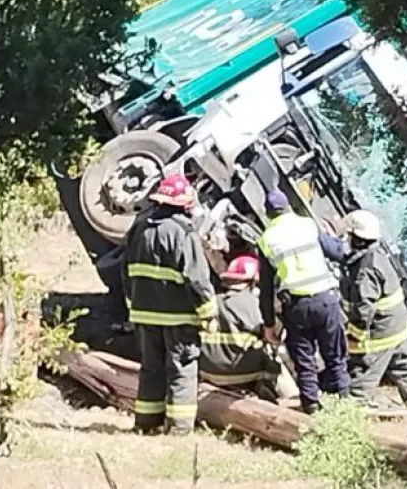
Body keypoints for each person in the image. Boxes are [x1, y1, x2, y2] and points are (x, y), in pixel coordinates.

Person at [123, 173, 218, 436]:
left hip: (145, 314)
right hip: (179, 317)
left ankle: (146, 422)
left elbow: (125, 271)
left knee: (151, 369)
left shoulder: (138, 227)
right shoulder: (183, 232)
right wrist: (208, 311)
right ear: (184, 203)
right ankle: (179, 428)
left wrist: (133, 303)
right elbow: (196, 278)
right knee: (182, 370)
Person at [256, 189, 349, 415]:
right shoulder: (307, 225)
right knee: (335, 356)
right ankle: (345, 404)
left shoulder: (266, 240)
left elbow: (266, 290)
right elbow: (337, 252)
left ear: (268, 214)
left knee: (304, 360)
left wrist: (269, 324)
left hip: (297, 308)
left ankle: (311, 405)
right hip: (326, 301)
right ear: (288, 207)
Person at [339, 209, 407, 411]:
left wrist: (354, 336)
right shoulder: (379, 255)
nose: (346, 240)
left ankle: (355, 406)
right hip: (399, 325)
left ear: (359, 239)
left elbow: (364, 308)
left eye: (349, 236)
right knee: (405, 365)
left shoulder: (365, 271)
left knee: (364, 368)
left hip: (381, 332)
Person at [199, 254, 287, 402]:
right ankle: (289, 398)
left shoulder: (212, 301)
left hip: (208, 372)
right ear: (254, 281)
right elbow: (273, 334)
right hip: (241, 373)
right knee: (275, 357)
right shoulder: (251, 303)